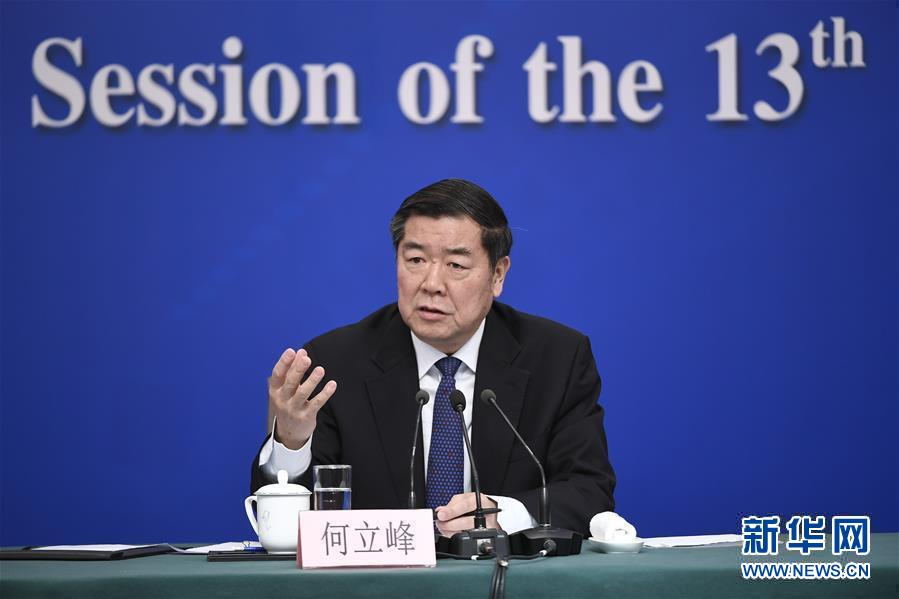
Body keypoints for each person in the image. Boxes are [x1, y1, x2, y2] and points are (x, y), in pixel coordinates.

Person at [250, 178, 615, 536]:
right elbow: (291, 526)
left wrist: (505, 515)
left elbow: (589, 491)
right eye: (415, 259)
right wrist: (291, 443)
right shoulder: (335, 363)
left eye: (456, 265)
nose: (431, 284)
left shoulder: (557, 359)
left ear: (497, 274)